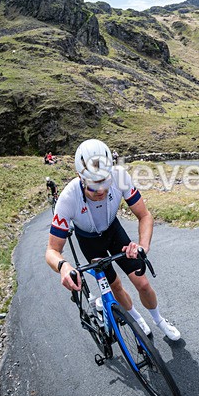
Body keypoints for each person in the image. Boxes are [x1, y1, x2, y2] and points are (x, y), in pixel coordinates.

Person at [44, 139, 180, 340]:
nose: (100, 191)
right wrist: (63, 266)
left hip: (113, 231)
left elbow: (145, 216)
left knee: (142, 283)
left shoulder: (120, 177)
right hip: (89, 241)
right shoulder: (68, 198)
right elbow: (51, 251)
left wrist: (142, 247)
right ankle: (135, 318)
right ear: (80, 178)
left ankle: (159, 320)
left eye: (105, 183)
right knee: (115, 285)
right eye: (93, 186)